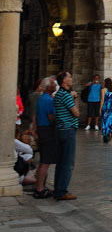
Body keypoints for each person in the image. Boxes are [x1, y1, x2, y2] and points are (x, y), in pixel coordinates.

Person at [53, 71, 79, 201]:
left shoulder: (58, 94)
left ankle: (58, 189)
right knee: (68, 162)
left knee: (61, 161)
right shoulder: (67, 95)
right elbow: (76, 113)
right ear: (64, 81)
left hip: (60, 130)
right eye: (69, 77)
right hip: (68, 130)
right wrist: (75, 98)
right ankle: (62, 191)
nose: (71, 78)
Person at [32, 76, 56, 199]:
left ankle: (39, 185)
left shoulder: (42, 98)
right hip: (47, 131)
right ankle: (40, 188)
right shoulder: (48, 100)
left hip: (41, 130)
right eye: (53, 84)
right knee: (45, 162)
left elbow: (35, 116)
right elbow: (52, 118)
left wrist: (35, 130)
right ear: (48, 87)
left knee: (43, 160)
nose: (55, 85)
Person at [99, 78, 112, 143]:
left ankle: (105, 135)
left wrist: (100, 109)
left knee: (104, 121)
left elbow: (102, 100)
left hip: (105, 107)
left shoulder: (103, 90)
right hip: (111, 107)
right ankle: (110, 132)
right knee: (110, 121)